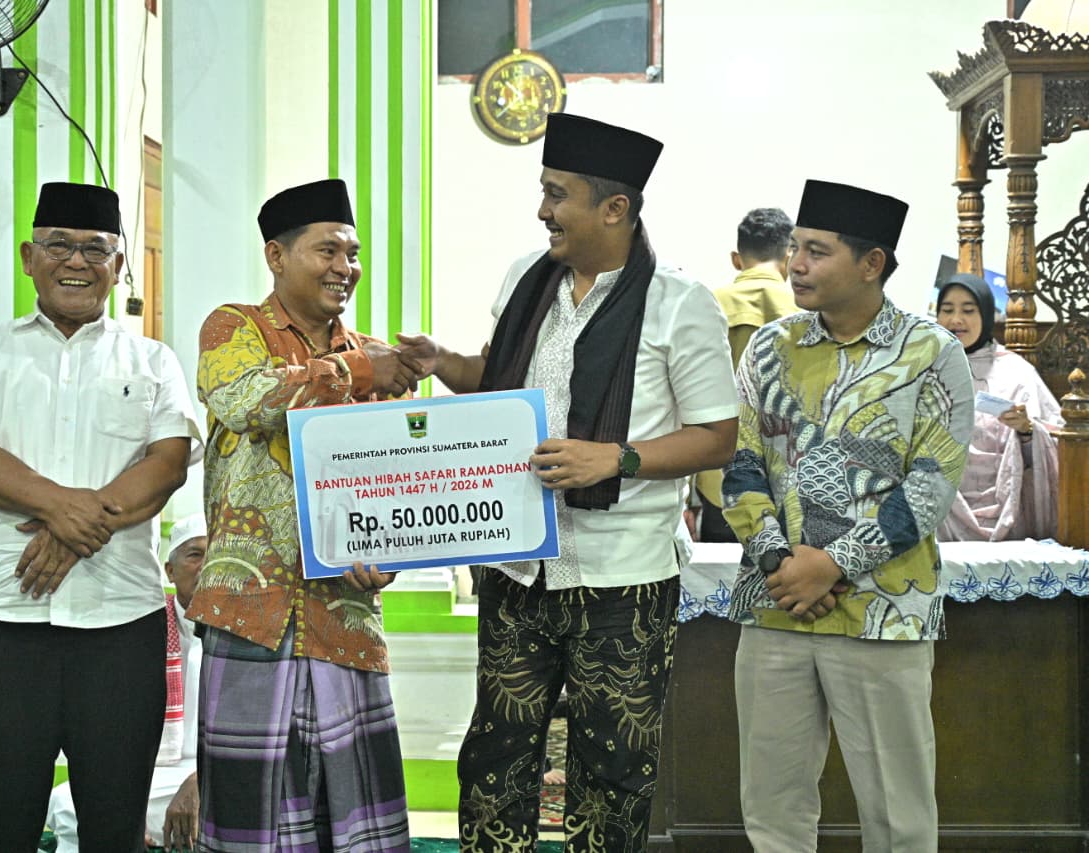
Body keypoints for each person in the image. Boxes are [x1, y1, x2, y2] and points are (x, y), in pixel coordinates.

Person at [398, 113, 739, 851]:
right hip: (519, 563)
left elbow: (718, 434)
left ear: (614, 208)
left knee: (612, 771)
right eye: (544, 191)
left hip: (624, 575)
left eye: (558, 195)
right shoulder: (528, 279)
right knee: (494, 760)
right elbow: (498, 384)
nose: (542, 210)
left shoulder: (679, 303)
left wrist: (617, 458)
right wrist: (442, 362)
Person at [0, 181, 202, 852]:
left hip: (120, 624)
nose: (76, 261)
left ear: (119, 265)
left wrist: (72, 531)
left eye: (95, 248)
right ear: (30, 257)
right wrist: (65, 512)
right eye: (58, 245)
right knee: (2, 826)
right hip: (6, 619)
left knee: (114, 828)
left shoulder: (153, 360)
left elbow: (168, 463)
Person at [723, 179, 975, 852]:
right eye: (795, 248)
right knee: (772, 810)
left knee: (897, 813)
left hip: (882, 613)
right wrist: (782, 564)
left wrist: (833, 563)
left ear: (871, 263)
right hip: (775, 607)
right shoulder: (769, 347)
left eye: (817, 251)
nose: (797, 264)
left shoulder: (931, 353)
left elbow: (931, 486)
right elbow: (741, 467)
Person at [189, 178, 415, 851]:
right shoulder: (236, 328)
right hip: (249, 613)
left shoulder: (375, 356)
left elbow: (398, 480)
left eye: (353, 253)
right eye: (328, 251)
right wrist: (357, 372)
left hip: (344, 615)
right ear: (276, 256)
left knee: (351, 818)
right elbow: (244, 400)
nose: (345, 267)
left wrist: (390, 554)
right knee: (248, 820)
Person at [46, 513, 209, 852]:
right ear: (169, 571)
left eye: (214, 557)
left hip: (221, 771)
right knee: (66, 803)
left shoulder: (246, 632)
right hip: (157, 772)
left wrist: (201, 780)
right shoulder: (147, 630)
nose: (206, 566)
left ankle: (156, 829)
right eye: (195, 555)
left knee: (236, 798)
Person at [691, 207, 797, 542]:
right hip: (789, 478)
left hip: (717, 476)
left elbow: (686, 402)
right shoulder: (808, 311)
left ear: (737, 259)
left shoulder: (706, 303)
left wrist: (688, 496)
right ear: (790, 257)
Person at [935, 272, 1063, 541]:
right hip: (939, 510)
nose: (956, 319)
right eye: (947, 310)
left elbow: (1059, 443)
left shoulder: (1016, 371)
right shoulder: (924, 368)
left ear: (985, 315)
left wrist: (1027, 431)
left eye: (968, 310)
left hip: (1007, 509)